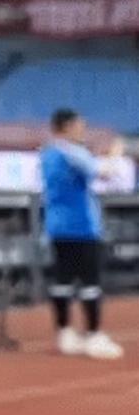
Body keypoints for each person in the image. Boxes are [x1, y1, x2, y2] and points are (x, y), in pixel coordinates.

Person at [41, 108, 125, 360]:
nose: (82, 131)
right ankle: (93, 335)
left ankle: (65, 333)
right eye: (79, 126)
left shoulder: (48, 153)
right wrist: (116, 153)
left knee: (63, 280)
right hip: (82, 226)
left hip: (57, 226)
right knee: (90, 282)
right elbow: (104, 172)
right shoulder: (71, 152)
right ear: (67, 127)